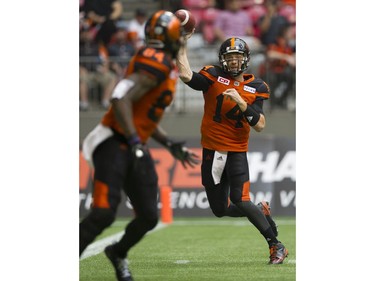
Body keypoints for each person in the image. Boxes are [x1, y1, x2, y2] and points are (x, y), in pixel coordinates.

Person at [79, 10, 200, 281]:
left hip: (133, 141)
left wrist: (168, 143)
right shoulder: (155, 61)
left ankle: (117, 252)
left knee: (147, 216)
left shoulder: (162, 61)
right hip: (113, 141)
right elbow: (120, 98)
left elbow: (140, 112)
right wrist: (135, 140)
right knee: (102, 214)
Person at [176, 34, 288, 264]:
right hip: (211, 152)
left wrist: (241, 101)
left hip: (236, 151)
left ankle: (275, 245)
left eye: (238, 57)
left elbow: (259, 125)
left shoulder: (257, 86)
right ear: (222, 59)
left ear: (246, 59)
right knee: (220, 209)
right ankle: (261, 210)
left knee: (241, 199)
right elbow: (186, 75)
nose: (234, 61)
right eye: (230, 57)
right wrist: (181, 44)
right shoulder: (213, 75)